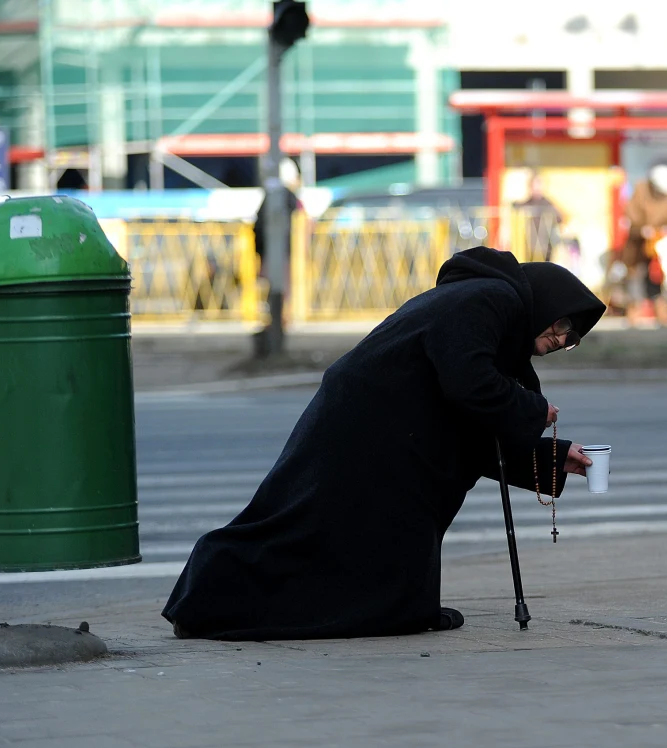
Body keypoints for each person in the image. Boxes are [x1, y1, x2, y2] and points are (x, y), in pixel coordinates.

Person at [163, 246, 607, 640]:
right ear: (545, 300)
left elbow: (478, 429)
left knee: (378, 530)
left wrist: (552, 456)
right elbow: (469, 384)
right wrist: (533, 411)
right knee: (308, 520)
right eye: (563, 324)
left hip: (392, 427)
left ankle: (396, 611)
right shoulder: (492, 299)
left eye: (573, 339)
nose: (563, 339)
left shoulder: (495, 319)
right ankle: (209, 599)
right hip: (370, 418)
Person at [621, 165, 667, 327]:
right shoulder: (641, 191)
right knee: (635, 282)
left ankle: (663, 317)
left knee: (658, 284)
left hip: (658, 251)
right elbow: (631, 217)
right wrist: (642, 229)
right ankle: (633, 317)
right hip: (637, 250)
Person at [513, 171, 565, 261]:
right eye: (535, 185)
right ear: (530, 186)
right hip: (528, 248)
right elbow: (515, 209)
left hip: (545, 249)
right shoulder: (526, 204)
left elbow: (560, 218)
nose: (537, 188)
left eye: (539, 184)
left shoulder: (548, 204)